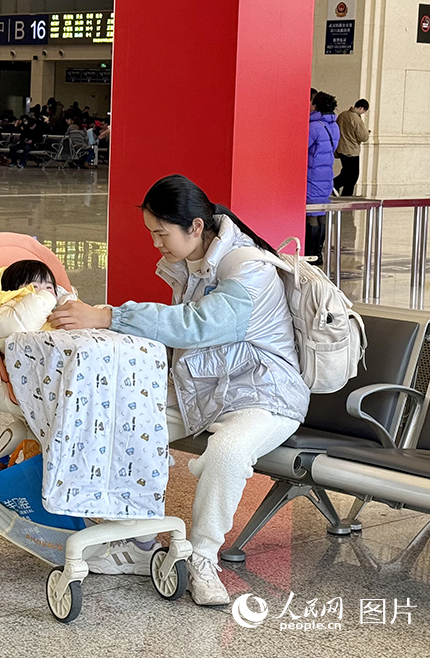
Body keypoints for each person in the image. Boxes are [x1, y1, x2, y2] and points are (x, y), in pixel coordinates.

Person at [48, 174, 308, 607]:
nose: (156, 244)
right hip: (205, 390)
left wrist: (108, 316)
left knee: (227, 452)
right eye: (152, 233)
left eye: (160, 233)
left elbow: (197, 326)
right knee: (119, 417)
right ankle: (137, 538)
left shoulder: (249, 270)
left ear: (195, 228)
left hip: (264, 394)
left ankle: (203, 557)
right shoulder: (196, 263)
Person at [306, 91, 340, 265]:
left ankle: (311, 253)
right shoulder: (334, 126)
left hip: (312, 175)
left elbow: (304, 147)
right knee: (321, 212)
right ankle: (319, 252)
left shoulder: (314, 126)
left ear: (316, 106)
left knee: (311, 213)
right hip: (326, 175)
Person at [334, 98, 370, 197]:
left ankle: (337, 188)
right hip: (352, 150)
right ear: (362, 108)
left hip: (341, 148)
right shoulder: (356, 118)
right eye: (364, 111)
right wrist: (367, 133)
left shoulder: (342, 115)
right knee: (353, 176)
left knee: (346, 172)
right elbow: (363, 136)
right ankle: (340, 190)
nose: (363, 113)